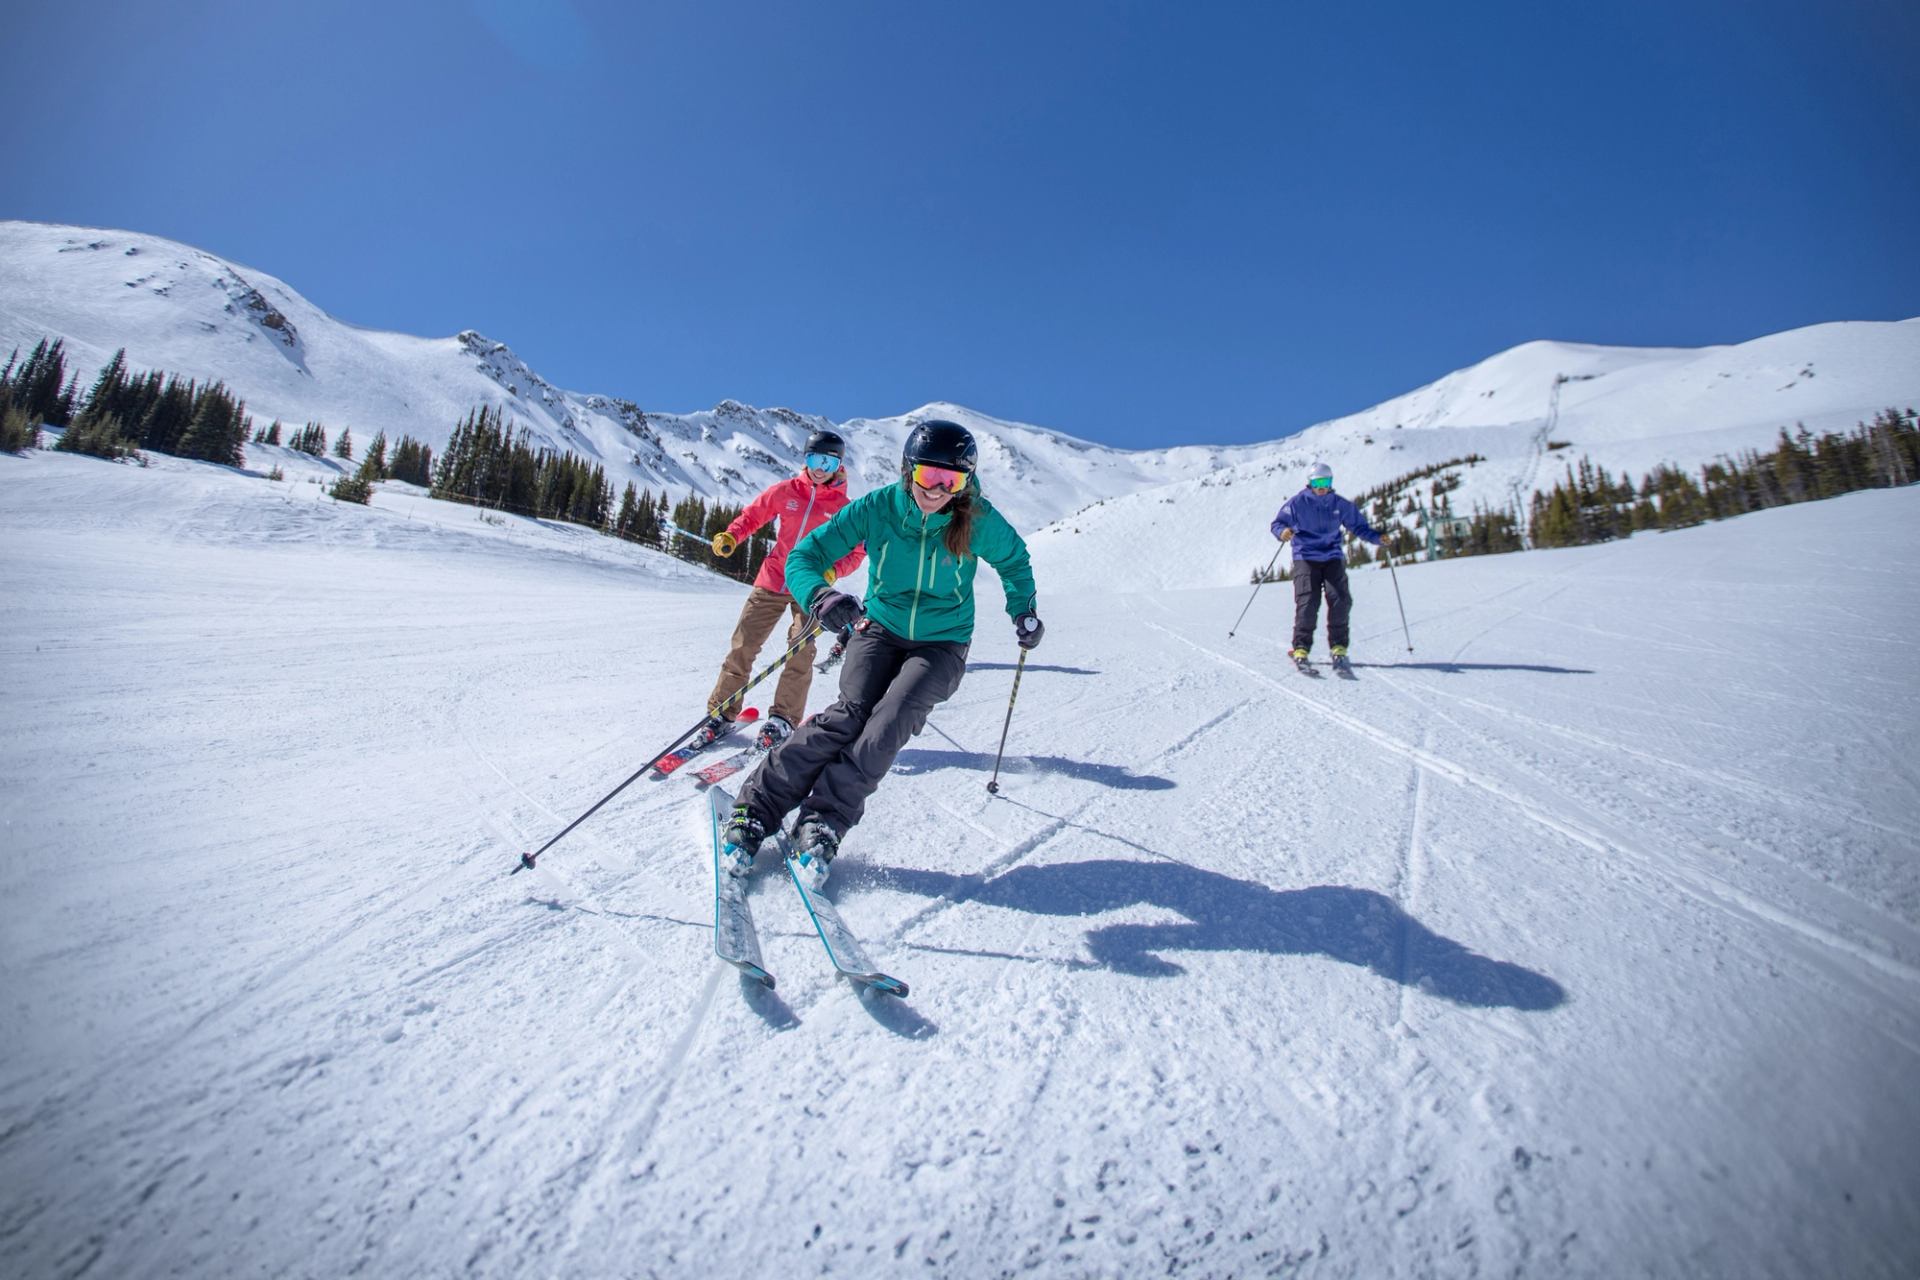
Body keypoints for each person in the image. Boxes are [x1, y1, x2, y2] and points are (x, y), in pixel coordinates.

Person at [720, 419, 1042, 889]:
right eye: (927, 476)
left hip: (943, 642)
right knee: (848, 716)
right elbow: (804, 557)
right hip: (879, 628)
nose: (936, 490)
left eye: (950, 480)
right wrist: (822, 597)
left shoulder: (976, 518)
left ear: (966, 482)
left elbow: (1014, 560)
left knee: (889, 722)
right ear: (907, 470)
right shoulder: (878, 509)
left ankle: (824, 820)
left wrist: (1024, 609)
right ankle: (756, 808)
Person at [698, 429, 867, 751]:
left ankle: (783, 719)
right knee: (743, 646)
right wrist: (732, 536)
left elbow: (857, 551)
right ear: (805, 460)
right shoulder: (786, 491)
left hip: (812, 586)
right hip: (772, 579)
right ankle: (722, 712)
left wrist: (833, 570)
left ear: (839, 465)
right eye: (814, 459)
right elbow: (753, 515)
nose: (820, 468)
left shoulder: (845, 508)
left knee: (800, 650)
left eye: (828, 462)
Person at [1269, 461, 1383, 671]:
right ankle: (1301, 647)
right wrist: (1282, 532)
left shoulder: (1339, 504)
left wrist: (1377, 538)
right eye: (1318, 482)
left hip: (1332, 556)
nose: (1322, 486)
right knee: (1308, 601)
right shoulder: (1297, 503)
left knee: (1340, 599)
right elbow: (1277, 524)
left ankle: (1339, 647)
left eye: (1326, 482)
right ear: (1310, 483)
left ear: (1331, 482)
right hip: (1305, 556)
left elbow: (1358, 526)